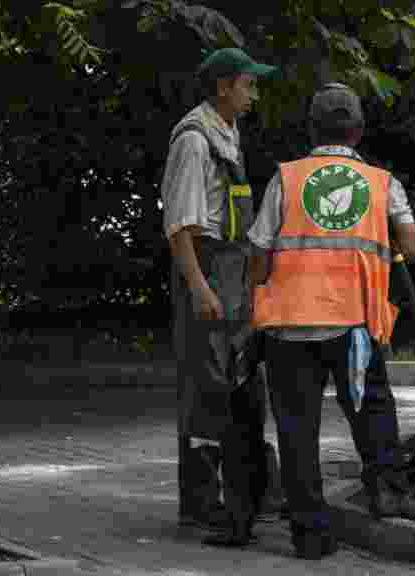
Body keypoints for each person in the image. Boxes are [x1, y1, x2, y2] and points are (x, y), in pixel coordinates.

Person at [246, 82, 415, 559]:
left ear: (311, 129)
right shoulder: (382, 183)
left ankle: (310, 536)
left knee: (296, 431)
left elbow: (259, 252)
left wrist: (256, 294)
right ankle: (387, 492)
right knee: (372, 411)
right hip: (354, 325)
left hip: (289, 326)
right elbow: (411, 248)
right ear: (358, 131)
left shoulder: (286, 179)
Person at [159, 46, 278, 547]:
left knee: (238, 380)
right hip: (206, 266)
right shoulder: (193, 140)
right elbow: (179, 226)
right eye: (248, 85)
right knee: (205, 387)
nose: (254, 94)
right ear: (224, 86)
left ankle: (246, 495)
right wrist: (199, 286)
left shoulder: (227, 132)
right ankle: (201, 504)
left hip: (230, 267)